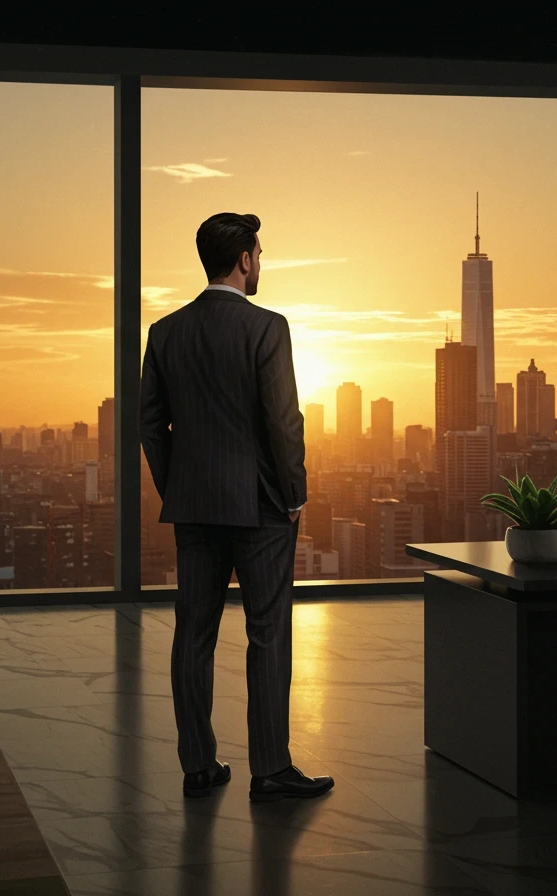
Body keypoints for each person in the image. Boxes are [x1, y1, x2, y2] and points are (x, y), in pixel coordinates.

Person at [140, 211, 334, 802]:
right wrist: (294, 492)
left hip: (194, 505)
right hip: (262, 508)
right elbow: (283, 420)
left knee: (193, 634)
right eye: (259, 255)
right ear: (245, 259)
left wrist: (179, 488)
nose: (260, 264)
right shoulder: (267, 327)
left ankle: (198, 765)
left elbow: (150, 425)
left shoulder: (164, 332)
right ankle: (270, 769)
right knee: (268, 633)